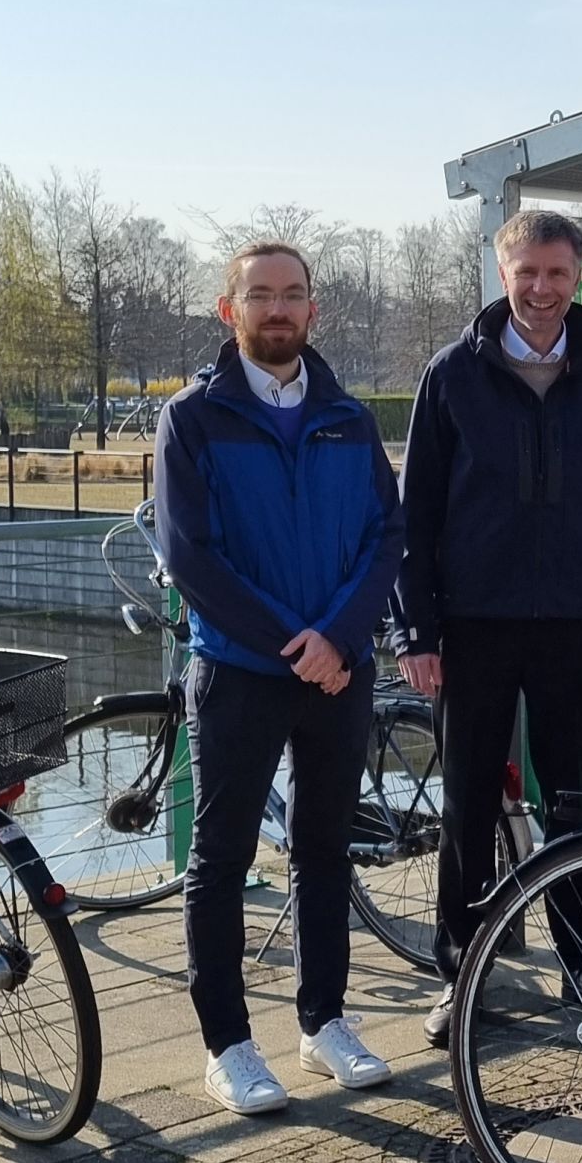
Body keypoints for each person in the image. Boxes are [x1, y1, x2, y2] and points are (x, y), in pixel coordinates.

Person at [395, 208, 582, 1038]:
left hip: (573, 630)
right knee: (468, 806)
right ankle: (464, 975)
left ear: (577, 276)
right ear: (501, 272)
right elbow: (415, 516)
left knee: (575, 803)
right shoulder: (452, 376)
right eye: (528, 274)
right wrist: (418, 632)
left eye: (558, 274)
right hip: (472, 628)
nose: (542, 291)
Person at [154, 242, 407, 1115]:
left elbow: (387, 535)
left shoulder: (347, 416)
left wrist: (338, 637)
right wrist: (294, 643)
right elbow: (190, 556)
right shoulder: (193, 420)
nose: (277, 310)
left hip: (340, 670)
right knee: (220, 860)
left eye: (292, 296)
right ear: (230, 311)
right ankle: (228, 1045)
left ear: (314, 312)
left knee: (325, 852)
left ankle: (323, 1022)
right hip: (238, 672)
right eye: (259, 295)